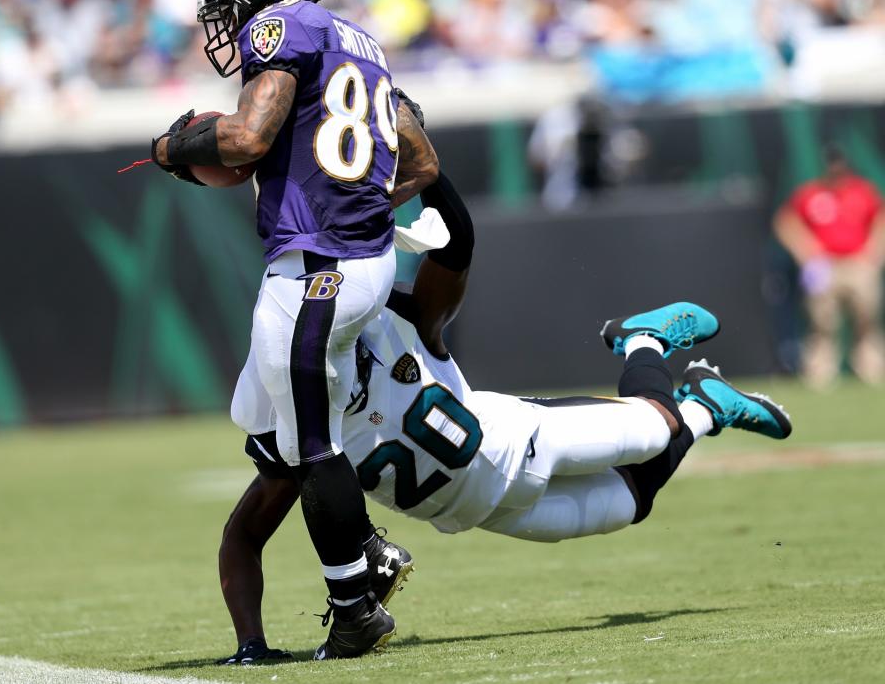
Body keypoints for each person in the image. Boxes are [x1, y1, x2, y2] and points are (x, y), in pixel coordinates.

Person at [218, 171, 792, 664]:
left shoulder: (396, 319)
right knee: (633, 502)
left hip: (520, 440)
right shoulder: (287, 398)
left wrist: (429, 172)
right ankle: (708, 406)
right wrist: (252, 646)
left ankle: (643, 341)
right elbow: (244, 535)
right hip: (483, 511)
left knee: (654, 428)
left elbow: (455, 246)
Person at [148, 0, 439, 659]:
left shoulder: (280, 26)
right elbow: (423, 159)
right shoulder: (362, 40)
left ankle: (355, 600)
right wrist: (369, 211)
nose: (227, 22)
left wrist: (172, 149)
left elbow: (247, 137)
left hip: (317, 266)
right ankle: (359, 555)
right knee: (272, 430)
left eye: (229, 4)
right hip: (355, 260)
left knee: (313, 444)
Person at [774, 146, 885, 387]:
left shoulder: (862, 191)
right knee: (822, 322)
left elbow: (879, 219)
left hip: (857, 263)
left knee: (866, 318)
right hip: (825, 266)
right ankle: (820, 374)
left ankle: (871, 370)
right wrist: (805, 251)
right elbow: (785, 221)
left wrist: (875, 251)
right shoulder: (811, 193)